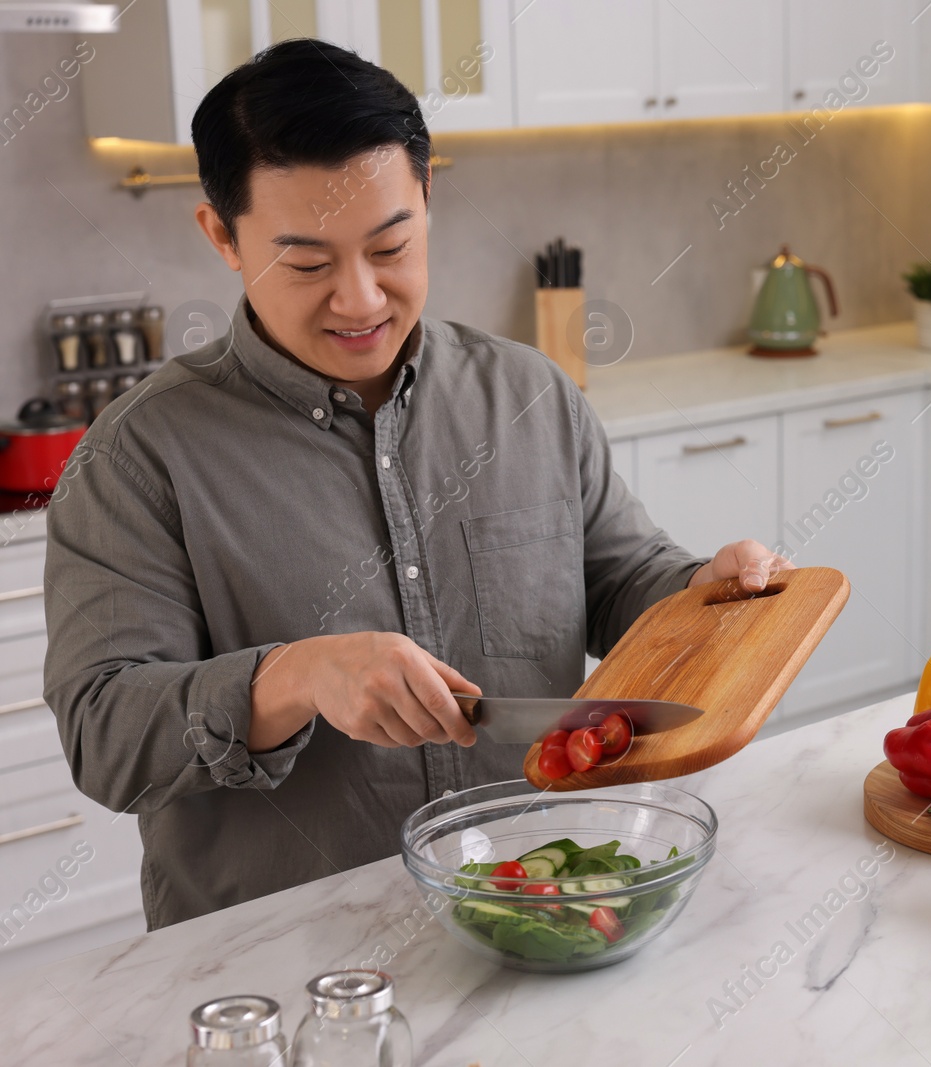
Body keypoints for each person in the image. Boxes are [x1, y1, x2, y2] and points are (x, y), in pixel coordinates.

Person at [43, 39, 788, 929]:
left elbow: (619, 577)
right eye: (309, 264)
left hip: (528, 917)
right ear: (221, 236)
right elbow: (104, 737)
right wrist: (293, 677)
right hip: (285, 957)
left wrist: (696, 591)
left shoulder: (528, 395)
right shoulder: (138, 457)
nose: (359, 300)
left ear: (428, 195)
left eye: (390, 246)